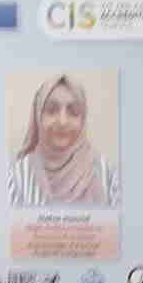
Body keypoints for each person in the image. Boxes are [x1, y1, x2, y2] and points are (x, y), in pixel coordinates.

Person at [7, 73, 119, 207]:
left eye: (73, 111)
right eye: (51, 110)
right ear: (38, 116)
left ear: (83, 120)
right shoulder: (17, 178)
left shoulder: (107, 175)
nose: (62, 122)